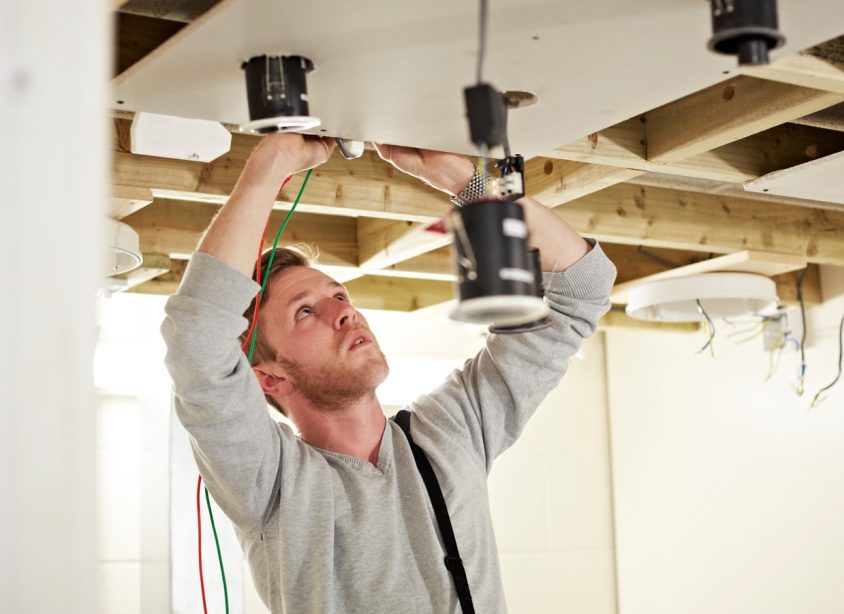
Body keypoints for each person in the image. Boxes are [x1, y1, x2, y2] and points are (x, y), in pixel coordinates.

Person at [161, 133, 617, 613]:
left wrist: (466, 181)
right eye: (305, 312)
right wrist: (271, 163)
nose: (344, 313)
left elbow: (585, 283)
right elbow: (197, 340)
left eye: (340, 296)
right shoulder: (272, 480)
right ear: (270, 378)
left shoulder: (452, 428)